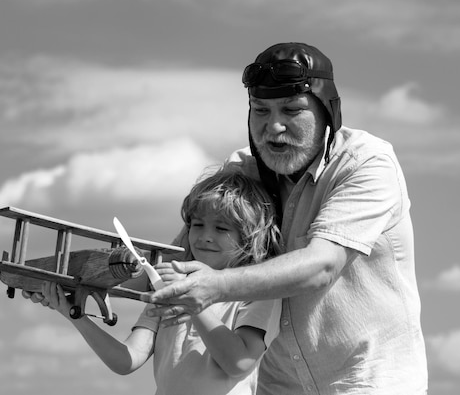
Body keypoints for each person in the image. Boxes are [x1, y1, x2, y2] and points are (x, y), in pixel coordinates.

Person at [147, 42, 429, 394]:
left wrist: (214, 286)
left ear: (327, 113)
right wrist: (86, 276)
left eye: (292, 110)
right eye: (260, 111)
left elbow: (322, 265)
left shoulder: (366, 163)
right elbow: (176, 260)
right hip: (277, 385)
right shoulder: (242, 172)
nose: (274, 127)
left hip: (366, 381)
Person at [26, 168, 283, 395]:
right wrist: (75, 316)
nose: (205, 236)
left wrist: (194, 304)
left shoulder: (257, 292)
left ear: (249, 238)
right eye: (197, 224)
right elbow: (127, 361)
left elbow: (238, 363)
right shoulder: (167, 290)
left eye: (221, 228)